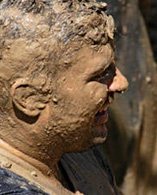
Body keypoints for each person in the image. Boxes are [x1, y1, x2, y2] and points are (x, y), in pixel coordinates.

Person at [0, 0, 128, 194]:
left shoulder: (71, 146)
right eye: (101, 75)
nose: (122, 83)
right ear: (29, 98)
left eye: (113, 67)